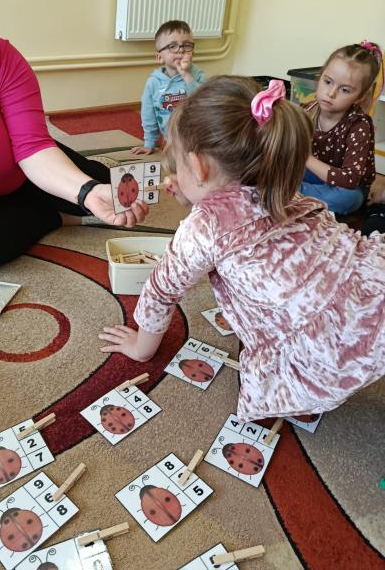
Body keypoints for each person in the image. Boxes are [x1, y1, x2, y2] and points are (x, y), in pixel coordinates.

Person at [99, 76, 385, 422]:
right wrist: (196, 199)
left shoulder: (202, 228)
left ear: (199, 166)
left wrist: (141, 349)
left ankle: (311, 392)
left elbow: (162, 290)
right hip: (371, 288)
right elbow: (238, 216)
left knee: (310, 379)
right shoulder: (276, 184)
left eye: (177, 163)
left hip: (324, 345)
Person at [0, 28, 148, 267]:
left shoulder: (1, 55)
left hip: (23, 163)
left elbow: (31, 146)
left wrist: (88, 191)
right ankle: (54, 217)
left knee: (106, 190)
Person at [299, 41, 382, 215]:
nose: (331, 93)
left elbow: (350, 179)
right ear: (320, 77)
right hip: (313, 175)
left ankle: (292, 191)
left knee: (348, 198)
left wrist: (306, 158)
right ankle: (298, 192)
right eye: (327, 82)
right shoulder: (306, 111)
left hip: (347, 187)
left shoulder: (359, 125)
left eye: (345, 90)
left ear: (360, 96)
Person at [131, 20, 207, 155]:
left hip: (198, 140)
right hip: (169, 140)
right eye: (172, 46)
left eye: (187, 45)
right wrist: (149, 143)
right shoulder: (153, 83)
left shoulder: (197, 76)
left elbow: (204, 101)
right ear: (160, 57)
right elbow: (148, 115)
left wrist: (185, 74)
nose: (181, 50)